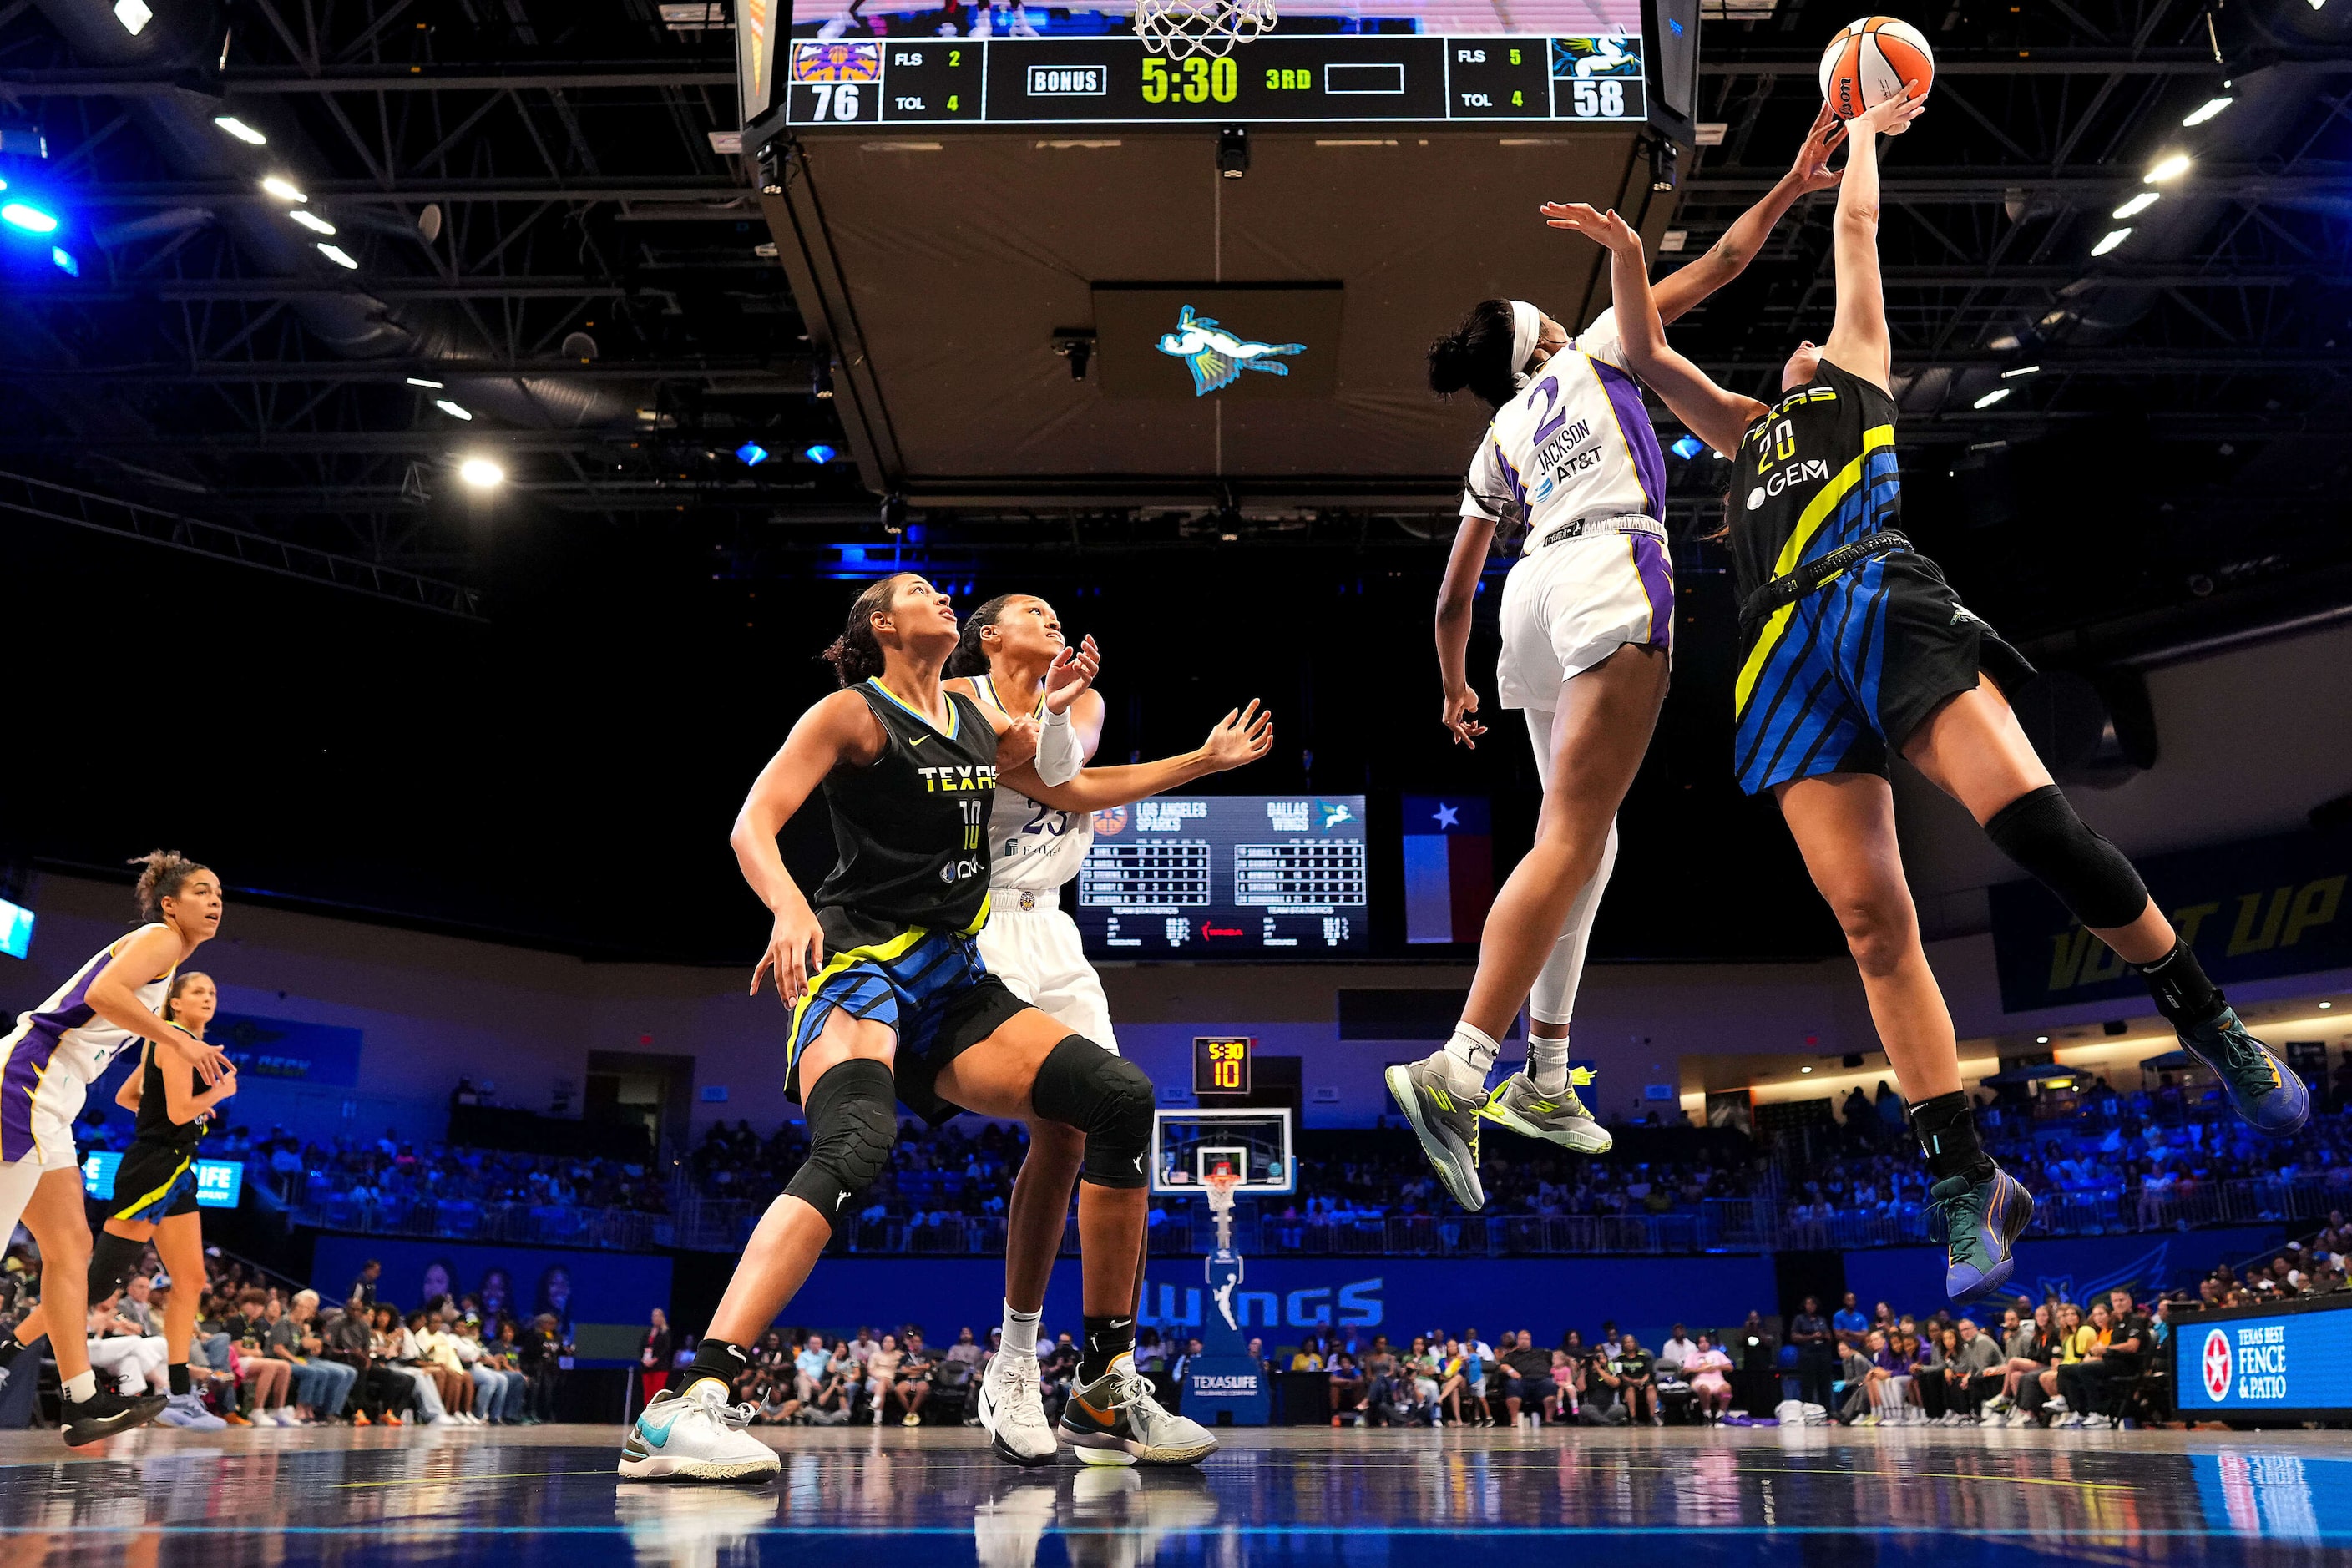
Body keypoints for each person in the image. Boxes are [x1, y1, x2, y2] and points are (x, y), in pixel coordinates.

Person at [1545, 80, 2308, 1308]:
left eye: (1804, 339)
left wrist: (1854, 137)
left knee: (2042, 830)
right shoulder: (1744, 433)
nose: (1791, 340)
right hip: (1781, 656)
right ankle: (1966, 1178)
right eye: (1785, 345)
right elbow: (1639, 352)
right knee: (1868, 925)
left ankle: (2210, 1022)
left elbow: (1855, 238)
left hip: (1881, 599)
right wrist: (1632, 253)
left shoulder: (1852, 378)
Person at [620, 575, 1216, 1481]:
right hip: (861, 968)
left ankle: (1101, 1380)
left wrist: (1076, 707)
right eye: (918, 592)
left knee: (1118, 1098)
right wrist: (786, 906)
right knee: (855, 1146)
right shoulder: (849, 714)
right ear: (882, 626)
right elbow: (753, 825)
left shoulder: (980, 725)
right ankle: (690, 1401)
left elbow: (1063, 778)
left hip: (954, 977)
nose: (941, 596)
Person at [1385, 106, 1854, 1210]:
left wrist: (1453, 684)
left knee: (1584, 843)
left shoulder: (1496, 436)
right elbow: (1727, 260)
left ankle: (1543, 1075)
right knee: (1569, 840)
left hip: (1530, 601)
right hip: (1608, 574)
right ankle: (1460, 1067)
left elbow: (1453, 591)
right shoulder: (1595, 347)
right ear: (1547, 333)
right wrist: (1792, 181)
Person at [943, 592, 1272, 1466]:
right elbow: (1064, 785)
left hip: (1054, 930)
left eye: (1059, 615)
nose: (1054, 621)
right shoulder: (959, 705)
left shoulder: (1079, 700)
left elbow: (1067, 757)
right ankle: (1014, 1363)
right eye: (1033, 613)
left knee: (1095, 1130)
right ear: (988, 638)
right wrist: (1201, 761)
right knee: (1062, 1118)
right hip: (978, 928)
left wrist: (1058, 705)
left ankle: (1101, 1387)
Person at [0, 852, 231, 1444]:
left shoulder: (163, 962)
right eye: (202, 891)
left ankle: (81, 1403)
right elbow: (104, 993)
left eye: (220, 894)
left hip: (52, 1099)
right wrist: (178, 1043)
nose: (215, 901)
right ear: (169, 904)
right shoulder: (158, 939)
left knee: (72, 1249)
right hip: (27, 1080)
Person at [1788, 1296, 1835, 1411]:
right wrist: (1812, 1337)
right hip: (1808, 1354)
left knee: (1824, 1385)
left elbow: (1829, 1336)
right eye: (1808, 1304)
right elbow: (1794, 1336)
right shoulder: (1800, 1319)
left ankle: (1826, 1411)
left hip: (1823, 1354)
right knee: (1808, 1385)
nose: (1811, 1306)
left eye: (1813, 1304)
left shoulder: (1821, 1320)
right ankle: (1807, 1411)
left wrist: (1825, 1336)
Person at [1685, 1333, 1734, 1422]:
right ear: (1698, 1344)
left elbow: (1730, 1367)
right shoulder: (1692, 1355)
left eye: (1705, 1342)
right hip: (1699, 1381)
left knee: (1727, 1389)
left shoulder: (1717, 1354)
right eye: (1701, 1342)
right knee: (1704, 1388)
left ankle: (1721, 1414)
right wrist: (1700, 1369)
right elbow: (1685, 1371)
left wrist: (1716, 1367)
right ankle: (1707, 1414)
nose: (1703, 1344)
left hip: (1718, 1381)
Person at [638, 1307, 673, 1414]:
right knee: (647, 1393)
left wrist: (655, 1359)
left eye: (657, 1316)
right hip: (647, 1367)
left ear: (662, 1317)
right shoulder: (648, 1331)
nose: (655, 1318)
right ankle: (646, 1415)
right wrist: (644, 1360)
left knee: (656, 1393)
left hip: (660, 1367)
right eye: (654, 1316)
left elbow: (666, 1348)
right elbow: (641, 1347)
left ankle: (656, 1415)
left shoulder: (665, 1332)